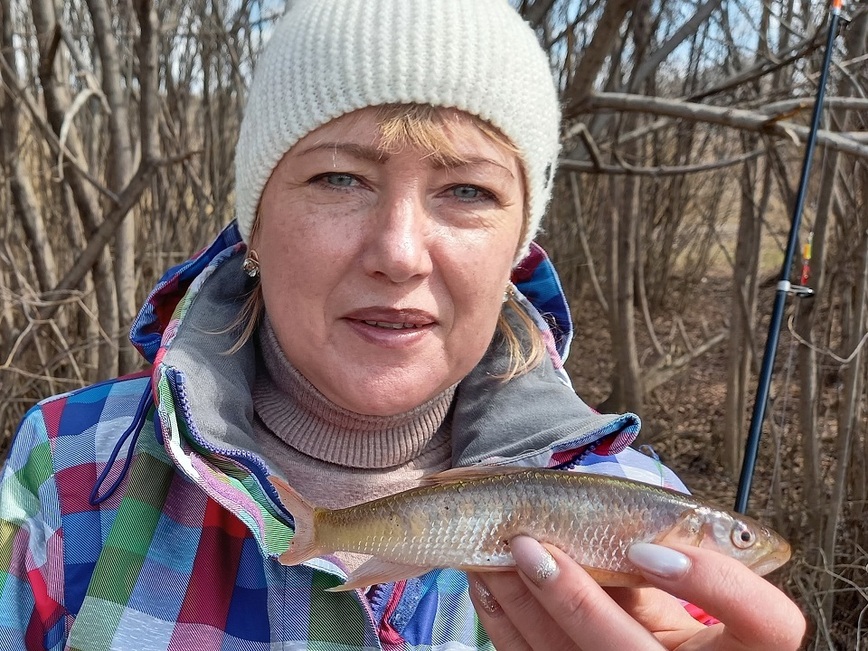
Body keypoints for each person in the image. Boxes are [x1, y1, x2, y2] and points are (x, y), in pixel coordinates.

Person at [0, 1, 805, 649]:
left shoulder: (645, 526)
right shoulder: (72, 465)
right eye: (339, 177)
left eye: (467, 192)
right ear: (253, 221)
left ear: (517, 247)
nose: (398, 252)